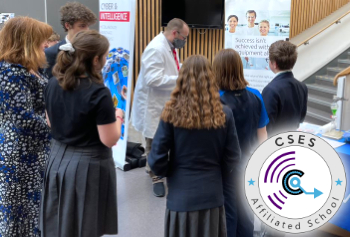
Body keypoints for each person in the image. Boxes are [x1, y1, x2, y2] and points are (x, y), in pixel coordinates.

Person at [148, 55, 241, 237]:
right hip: (212, 195)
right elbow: (233, 157)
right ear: (211, 78)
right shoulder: (225, 113)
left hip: (181, 197)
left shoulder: (171, 112)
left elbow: (156, 158)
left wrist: (171, 172)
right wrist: (216, 174)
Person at [40, 30, 121, 237]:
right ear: (96, 59)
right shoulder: (98, 92)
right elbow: (109, 139)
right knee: (85, 227)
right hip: (87, 165)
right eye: (105, 56)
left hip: (57, 160)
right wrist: (118, 117)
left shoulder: (52, 83)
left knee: (59, 224)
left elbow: (50, 122)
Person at [0, 16, 52, 236]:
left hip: (33, 151)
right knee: (18, 214)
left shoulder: (26, 68)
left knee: (32, 211)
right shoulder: (11, 72)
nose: (46, 45)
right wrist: (56, 125)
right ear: (26, 41)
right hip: (20, 155)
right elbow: (24, 119)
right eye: (41, 40)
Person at [131, 18, 189, 197]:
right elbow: (153, 80)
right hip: (154, 105)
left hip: (167, 102)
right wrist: (181, 79)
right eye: (184, 38)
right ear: (175, 33)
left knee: (166, 138)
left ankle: (164, 168)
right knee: (154, 141)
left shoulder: (170, 46)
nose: (184, 42)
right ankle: (155, 175)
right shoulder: (156, 49)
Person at [213, 48, 268, 237]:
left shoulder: (215, 100)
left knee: (227, 215)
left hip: (224, 169)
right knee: (246, 215)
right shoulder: (256, 95)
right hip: (249, 165)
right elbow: (263, 135)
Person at [262, 40, 308, 137]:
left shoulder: (270, 90)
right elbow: (301, 118)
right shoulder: (302, 86)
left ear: (274, 64)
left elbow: (265, 127)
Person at [44, 2, 96, 79]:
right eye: (82, 26)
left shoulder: (93, 49)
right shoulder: (51, 53)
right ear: (67, 25)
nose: (87, 30)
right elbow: (49, 85)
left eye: (88, 26)